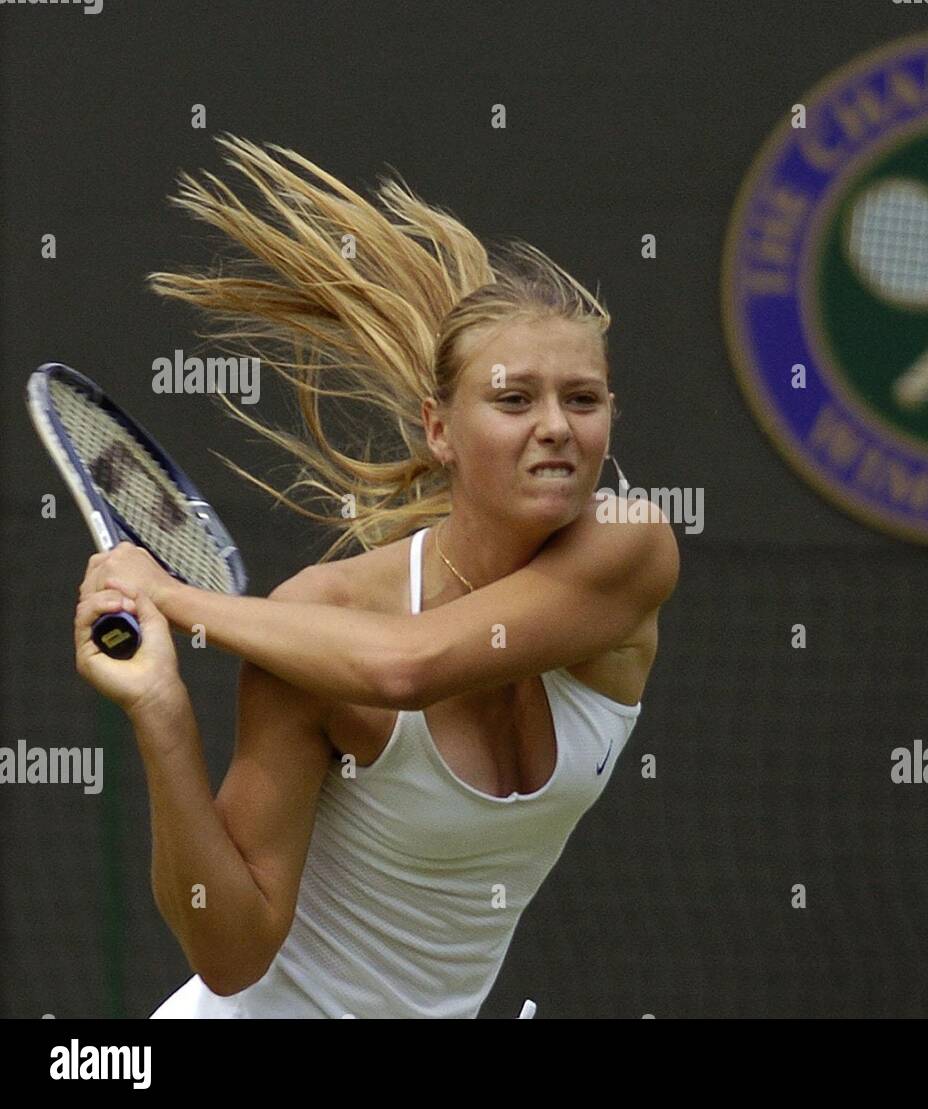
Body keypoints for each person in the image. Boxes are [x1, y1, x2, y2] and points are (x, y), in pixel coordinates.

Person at [73, 135, 679, 1017]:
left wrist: (175, 599)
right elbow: (231, 954)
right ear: (440, 430)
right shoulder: (318, 621)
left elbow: (409, 667)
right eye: (515, 400)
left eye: (582, 399)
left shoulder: (631, 545)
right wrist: (162, 712)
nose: (556, 425)